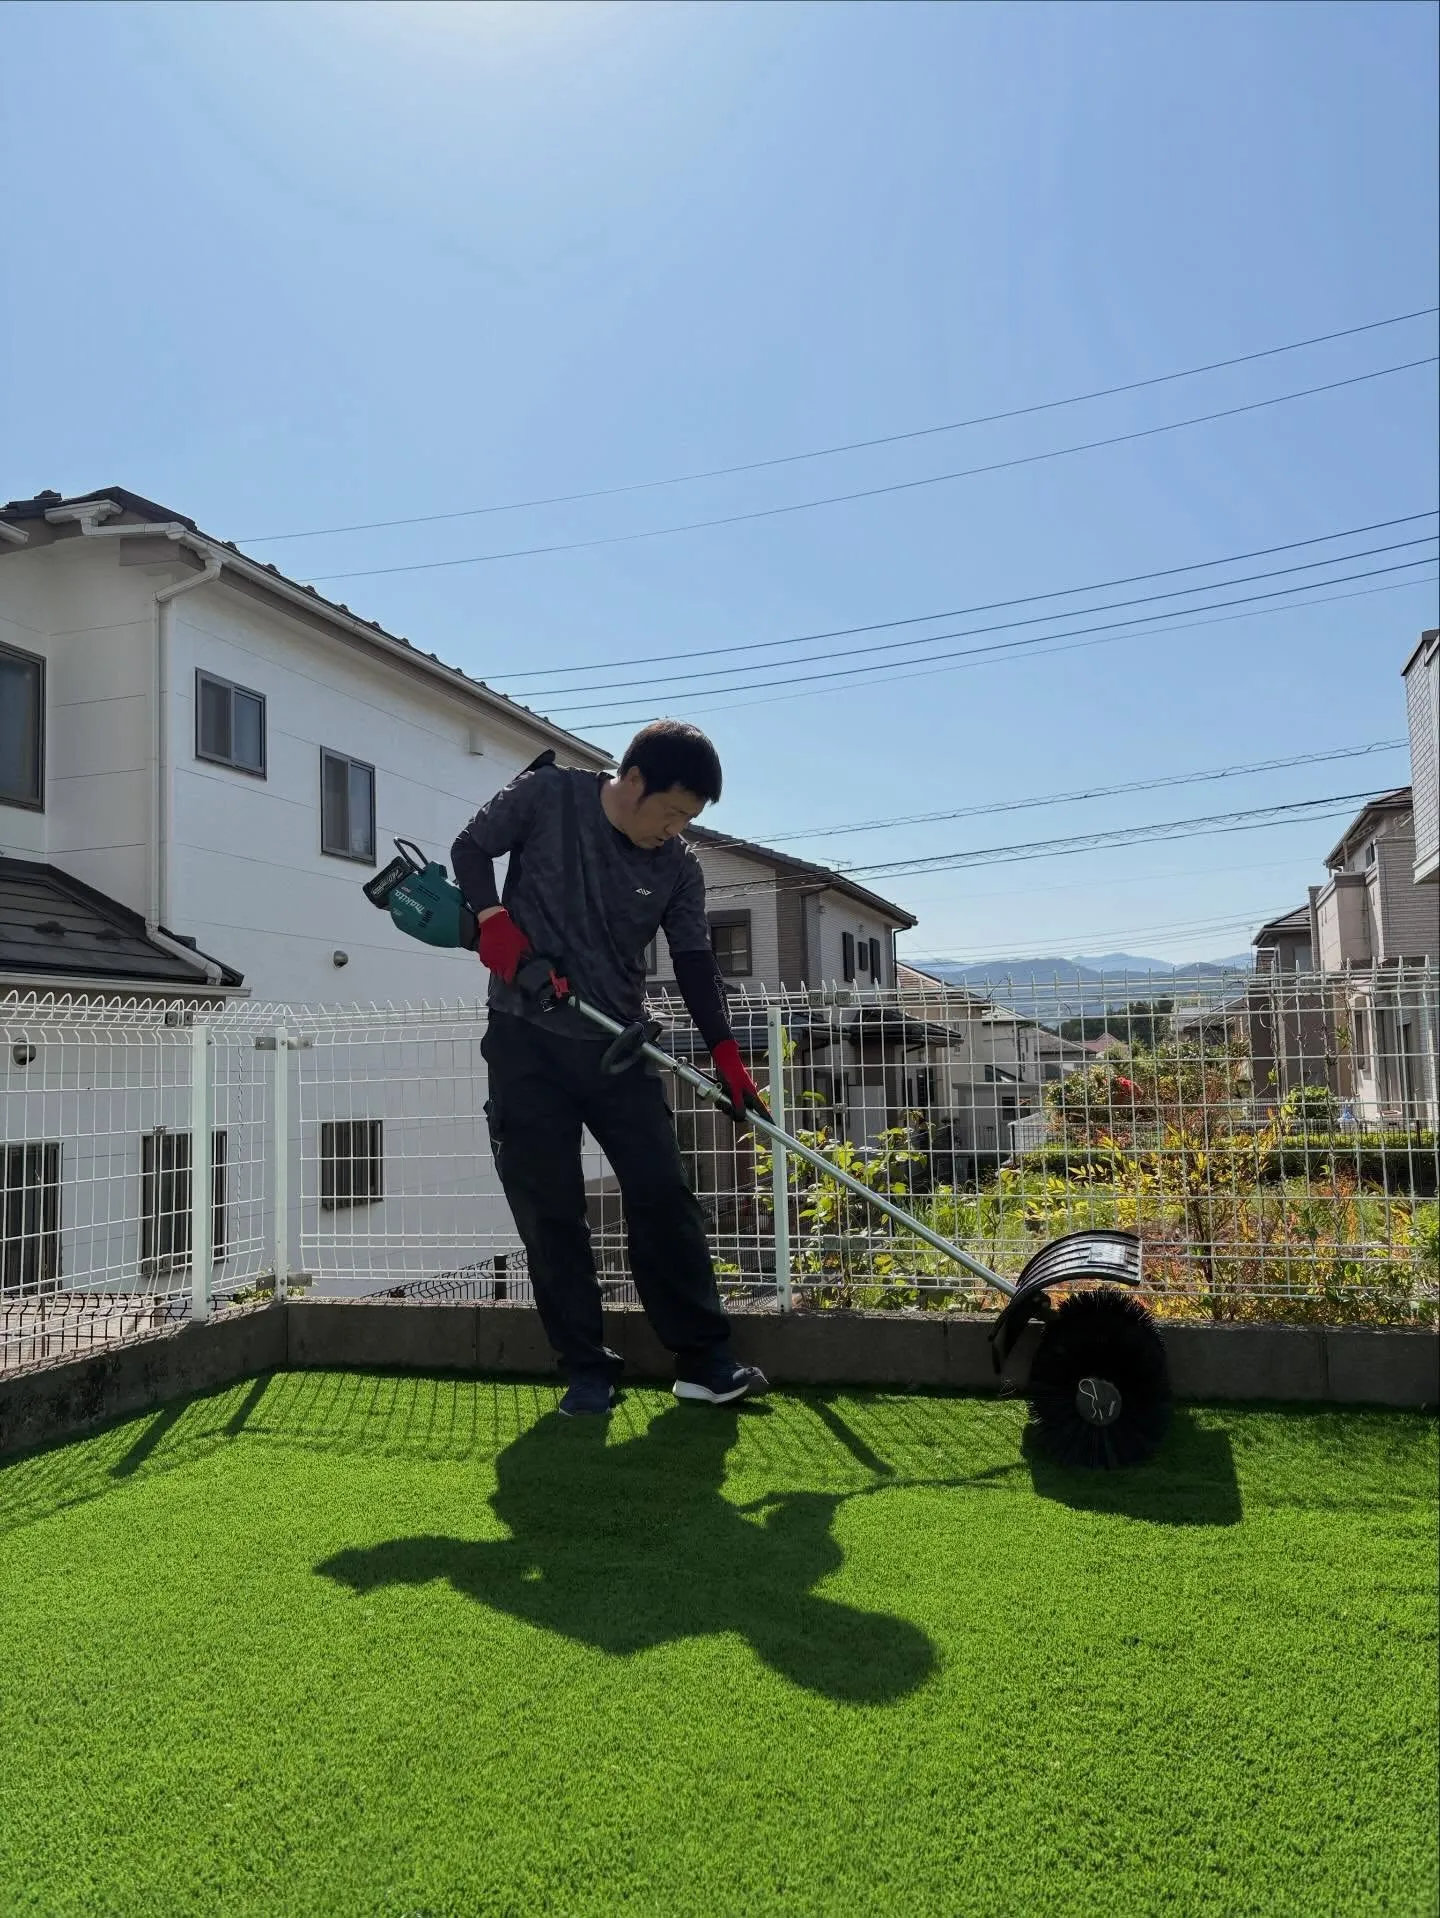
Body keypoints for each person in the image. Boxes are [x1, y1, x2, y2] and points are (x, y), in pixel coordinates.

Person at [451, 719, 770, 1418]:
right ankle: (586, 1368)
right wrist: (494, 918)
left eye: (689, 817)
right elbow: (470, 848)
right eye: (673, 810)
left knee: (662, 1193)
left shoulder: (678, 867)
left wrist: (725, 1053)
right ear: (632, 782)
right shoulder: (546, 795)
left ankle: (703, 1361)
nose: (676, 827)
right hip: (524, 1038)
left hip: (619, 1048)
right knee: (551, 1210)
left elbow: (694, 962)